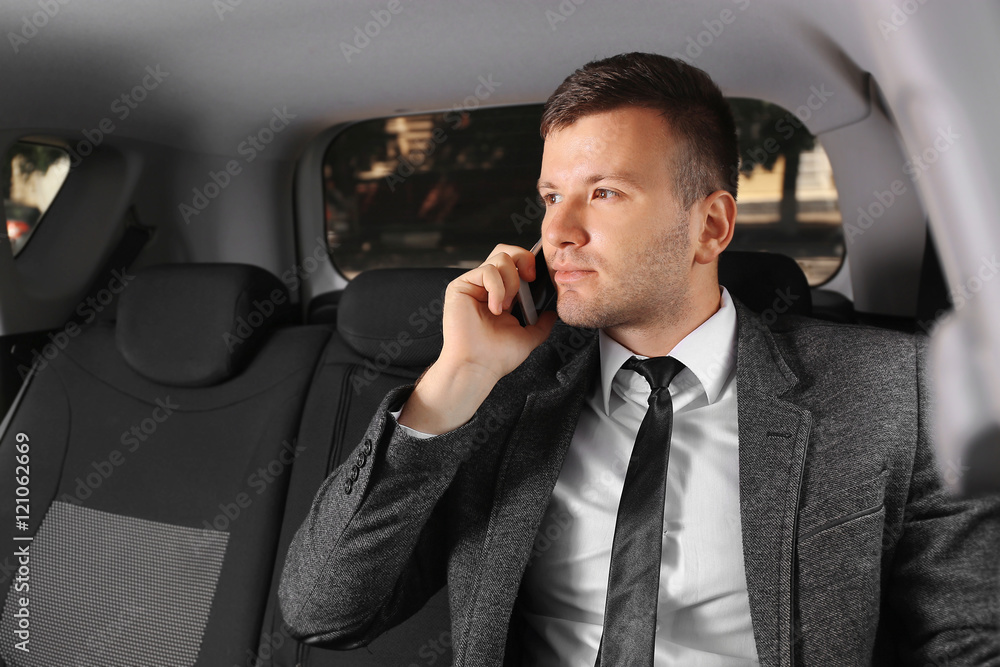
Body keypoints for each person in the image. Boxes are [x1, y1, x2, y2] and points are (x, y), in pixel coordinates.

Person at [278, 52, 1000, 665]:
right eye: (551, 195)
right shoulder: (500, 396)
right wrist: (453, 381)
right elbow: (322, 611)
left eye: (604, 193)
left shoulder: (892, 392)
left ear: (710, 224)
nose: (557, 230)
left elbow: (969, 642)